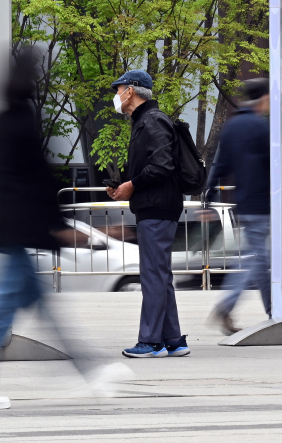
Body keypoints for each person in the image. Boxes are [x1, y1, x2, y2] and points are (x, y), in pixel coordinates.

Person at [0, 50, 131, 410]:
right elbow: (39, 180)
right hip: (20, 231)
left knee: (41, 309)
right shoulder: (23, 120)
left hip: (7, 230)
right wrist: (59, 228)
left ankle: (89, 371)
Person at [105, 69, 189, 359]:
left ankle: (151, 342)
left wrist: (132, 185)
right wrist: (124, 186)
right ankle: (173, 339)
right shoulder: (145, 121)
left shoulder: (152, 120)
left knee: (153, 274)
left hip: (157, 207)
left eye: (118, 90)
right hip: (155, 205)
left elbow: (162, 165)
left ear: (131, 90)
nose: (116, 96)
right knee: (160, 274)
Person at [206, 78, 271, 334]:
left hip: (243, 203)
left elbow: (220, 165)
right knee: (256, 258)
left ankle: (273, 311)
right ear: (264, 98)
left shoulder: (231, 127)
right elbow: (274, 166)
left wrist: (208, 198)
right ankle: (227, 304)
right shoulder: (261, 127)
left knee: (260, 259)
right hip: (262, 203)